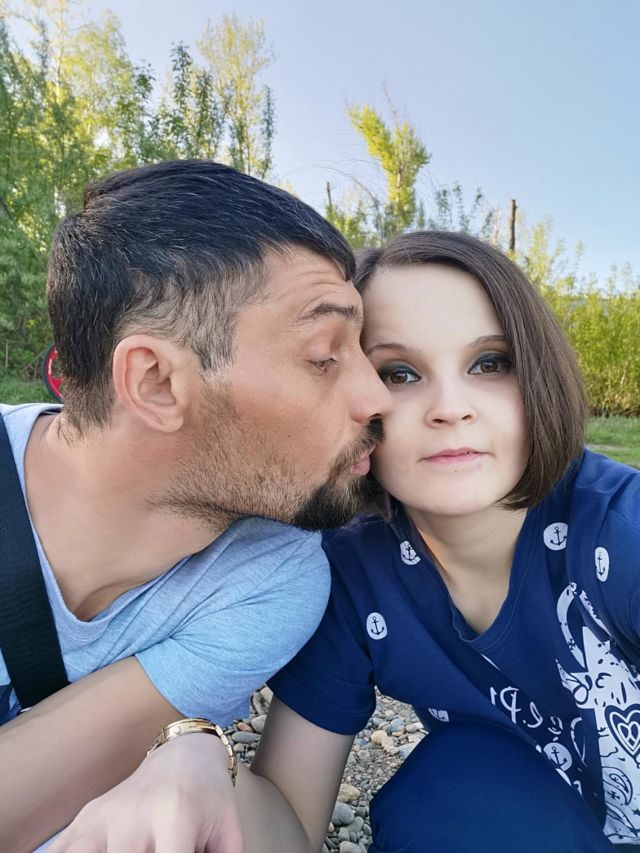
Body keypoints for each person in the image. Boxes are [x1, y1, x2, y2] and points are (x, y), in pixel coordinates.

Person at [52, 230, 640, 852]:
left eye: (489, 363)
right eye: (399, 372)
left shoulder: (619, 533)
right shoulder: (353, 574)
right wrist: (197, 761)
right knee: (449, 792)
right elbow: (289, 827)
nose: (451, 407)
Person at [0, 159, 390, 852]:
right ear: (155, 382)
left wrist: (198, 748)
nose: (378, 397)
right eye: (325, 355)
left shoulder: (269, 578)